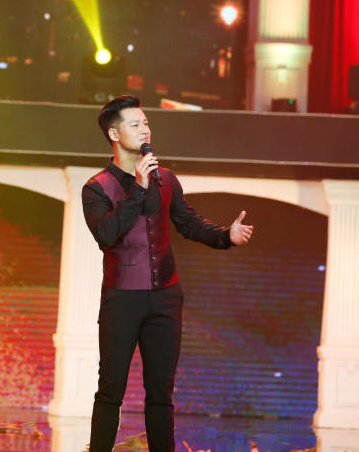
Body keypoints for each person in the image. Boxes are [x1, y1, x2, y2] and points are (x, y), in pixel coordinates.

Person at [82, 95, 254, 452]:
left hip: (166, 298)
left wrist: (226, 236)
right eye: (135, 124)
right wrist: (138, 188)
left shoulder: (167, 180)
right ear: (114, 134)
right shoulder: (96, 187)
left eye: (146, 123)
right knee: (111, 389)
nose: (145, 129)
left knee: (161, 392)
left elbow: (188, 223)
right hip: (122, 300)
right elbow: (107, 235)